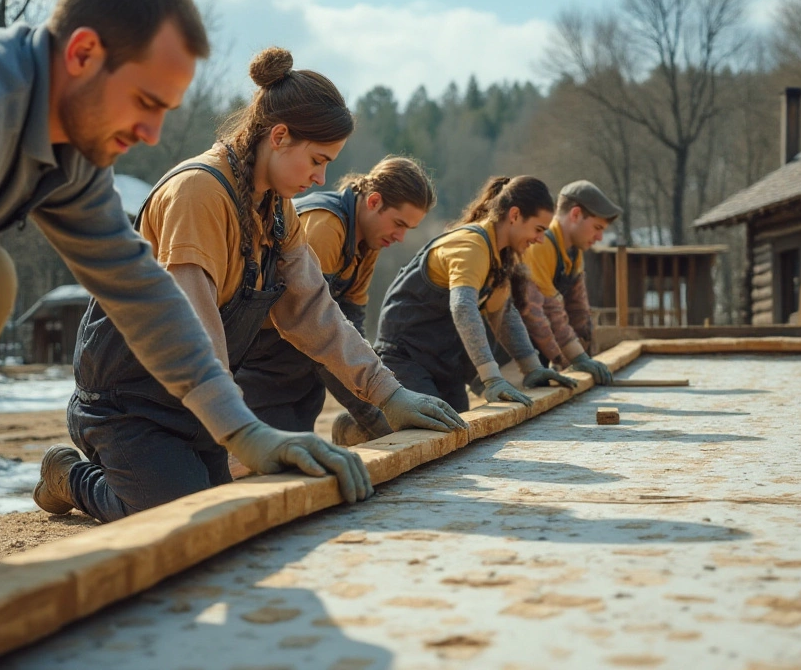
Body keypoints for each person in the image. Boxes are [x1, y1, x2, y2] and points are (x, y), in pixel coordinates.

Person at [0, 0, 370, 597]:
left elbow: (142, 293)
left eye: (165, 110)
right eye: (144, 101)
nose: (151, 133)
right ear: (82, 53)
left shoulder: (68, 153)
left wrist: (243, 432)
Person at [33, 50, 465, 523]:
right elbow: (189, 328)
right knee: (182, 522)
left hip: (189, 403)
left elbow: (315, 312)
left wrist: (388, 394)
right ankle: (71, 475)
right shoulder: (197, 193)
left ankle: (140, 470)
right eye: (317, 160)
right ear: (279, 137)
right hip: (127, 399)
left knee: (232, 514)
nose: (322, 178)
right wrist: (243, 432)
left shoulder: (279, 211)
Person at [235, 156, 436, 446]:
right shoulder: (326, 226)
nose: (401, 237)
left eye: (408, 229)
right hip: (263, 362)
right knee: (269, 465)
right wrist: (376, 415)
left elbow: (351, 325)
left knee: (300, 452)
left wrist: (377, 396)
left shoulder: (369, 241)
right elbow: (314, 327)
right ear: (374, 202)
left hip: (302, 368)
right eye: (399, 224)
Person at [368, 176, 578, 416]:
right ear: (515, 215)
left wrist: (532, 367)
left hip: (444, 359)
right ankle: (367, 423)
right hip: (404, 356)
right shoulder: (471, 245)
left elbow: (505, 315)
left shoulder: (499, 256)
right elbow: (463, 307)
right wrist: (491, 379)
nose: (540, 239)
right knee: (428, 425)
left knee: (457, 430)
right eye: (538, 229)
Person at [514, 180, 622, 385]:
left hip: (539, 351)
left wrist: (586, 355)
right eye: (597, 227)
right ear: (575, 215)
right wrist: (572, 359)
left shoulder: (574, 253)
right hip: (512, 356)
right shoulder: (541, 244)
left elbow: (578, 309)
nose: (600, 237)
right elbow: (541, 312)